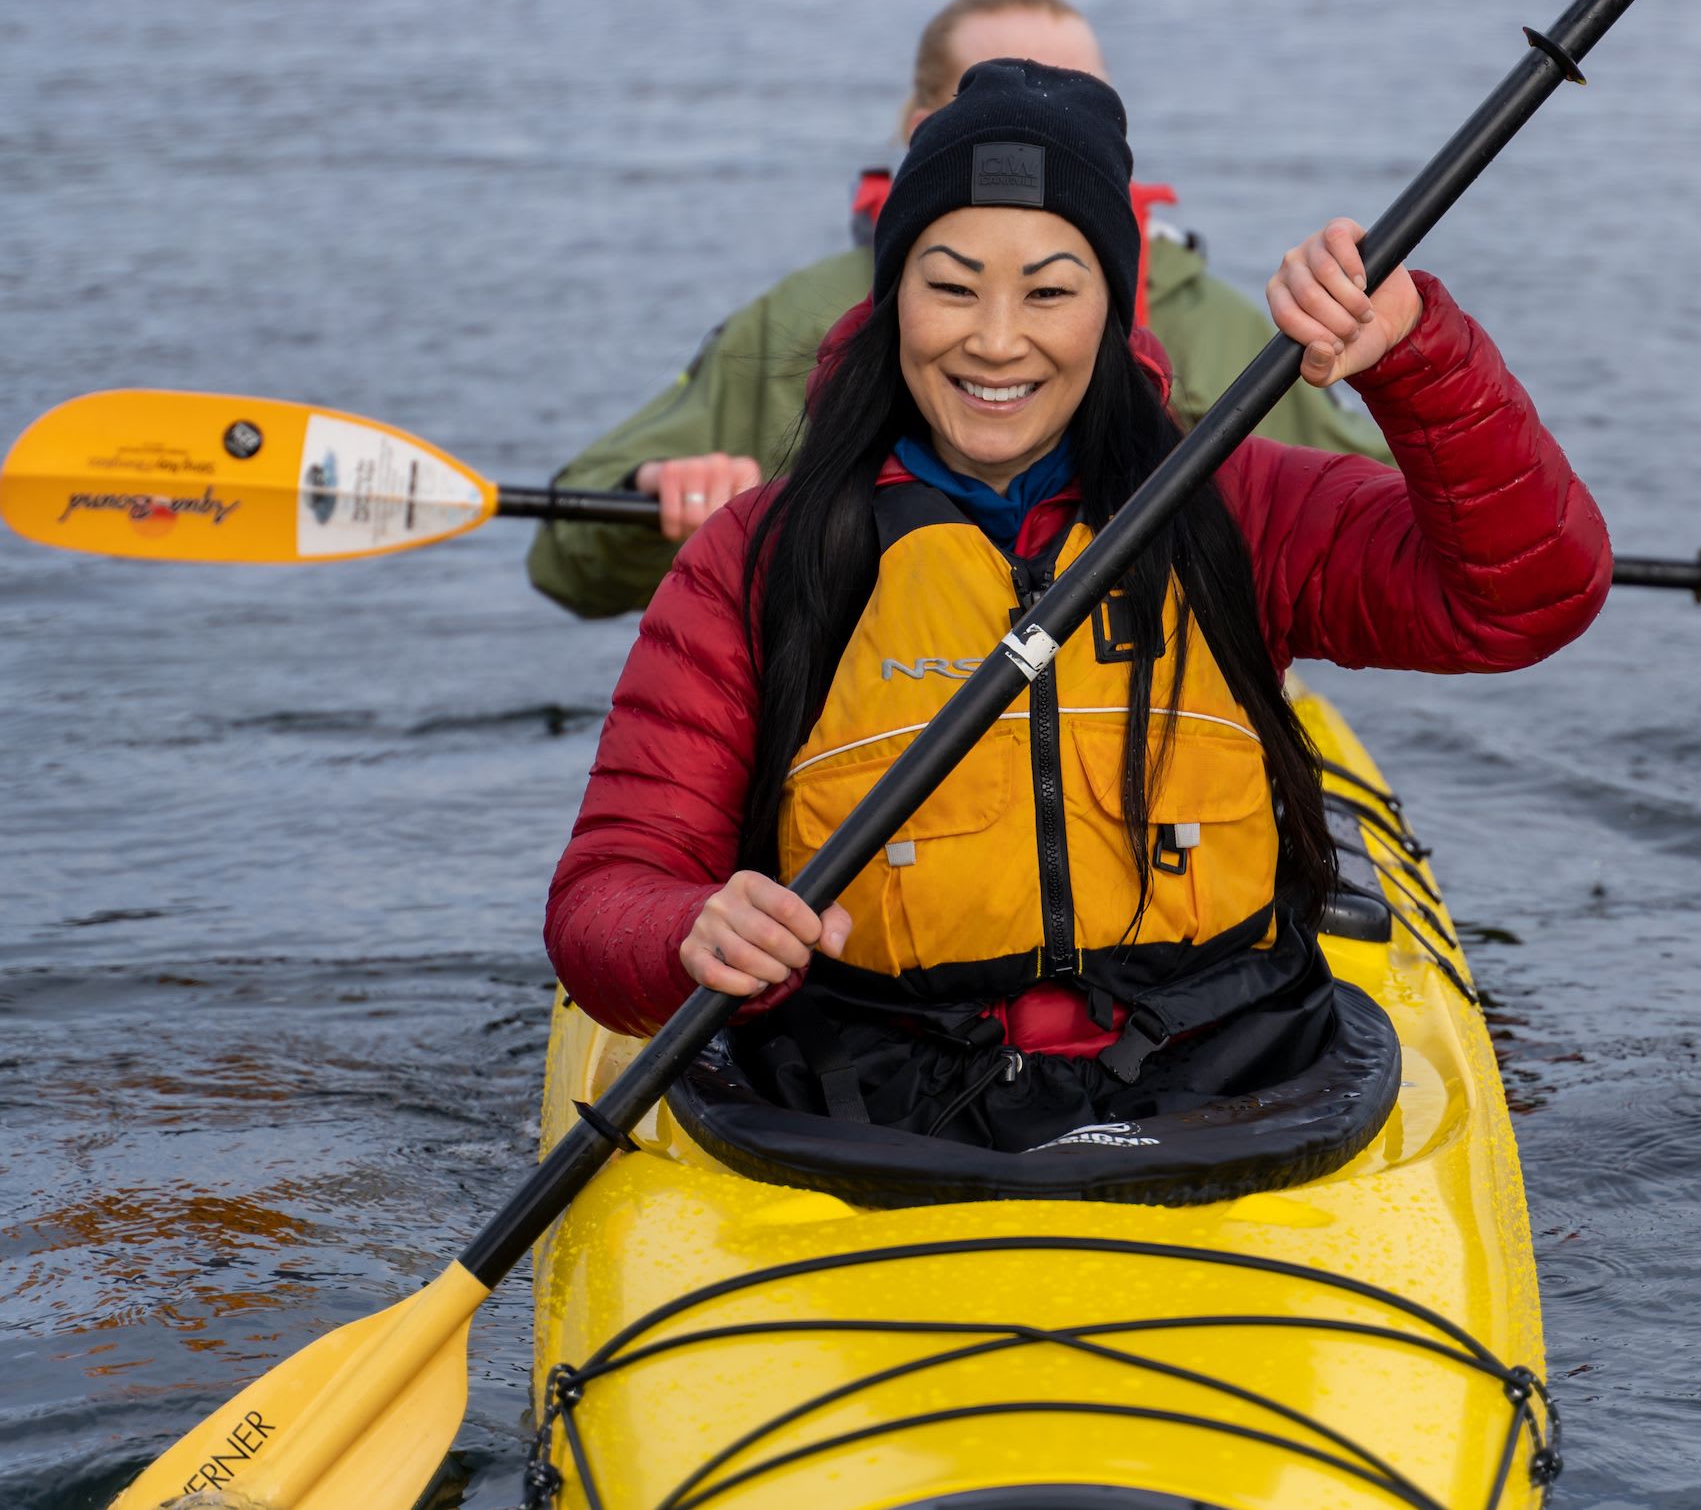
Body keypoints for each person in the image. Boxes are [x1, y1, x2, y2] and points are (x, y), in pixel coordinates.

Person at [545, 59, 1609, 1150]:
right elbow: (603, 894)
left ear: (1111, 308)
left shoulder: (1230, 503)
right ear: (890, 297)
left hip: (1228, 1079)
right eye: (949, 286)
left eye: (1048, 291)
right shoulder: (759, 556)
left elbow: (1529, 596)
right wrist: (687, 931)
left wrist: (1415, 358)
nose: (995, 339)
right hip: (864, 1096)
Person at [528, 0, 1389, 620]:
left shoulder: (1217, 327)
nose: (1035, 117)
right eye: (991, 91)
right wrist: (657, 500)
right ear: (921, 127)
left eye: (1074, 101)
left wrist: (1406, 365)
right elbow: (565, 564)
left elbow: (1400, 525)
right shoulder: (799, 322)